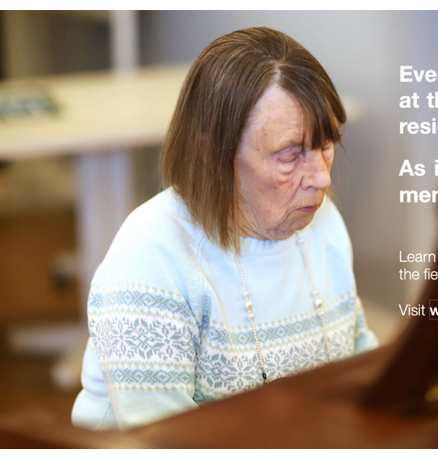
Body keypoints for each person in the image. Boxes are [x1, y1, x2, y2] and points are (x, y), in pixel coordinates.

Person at [71, 27, 378, 430]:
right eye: (291, 155)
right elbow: (168, 442)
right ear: (213, 154)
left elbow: (362, 365)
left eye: (325, 145)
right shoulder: (151, 257)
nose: (321, 177)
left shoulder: (323, 224)